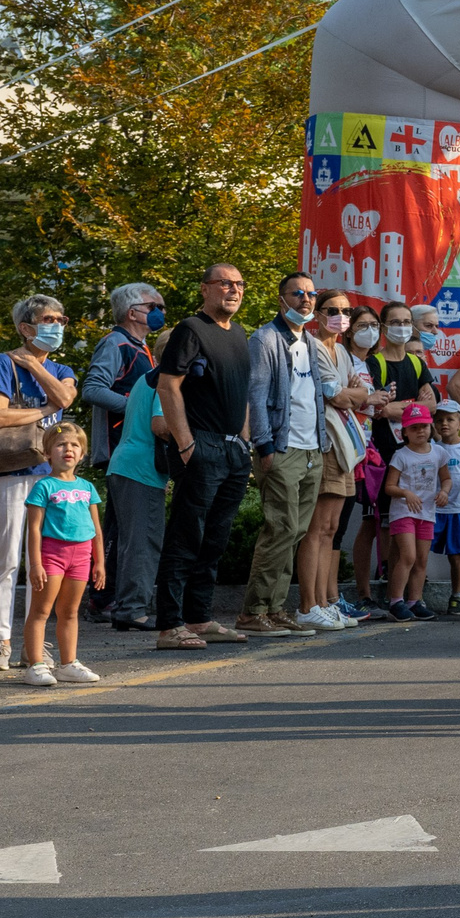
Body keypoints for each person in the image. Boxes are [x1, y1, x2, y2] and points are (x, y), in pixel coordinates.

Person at [152, 263, 258, 653]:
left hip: (233, 449)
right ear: (205, 288)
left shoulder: (240, 333)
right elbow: (168, 385)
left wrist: (244, 440)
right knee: (186, 535)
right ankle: (170, 624)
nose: (234, 290)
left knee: (214, 539)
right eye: (225, 284)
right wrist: (186, 443)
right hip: (203, 445)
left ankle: (199, 617)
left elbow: (242, 392)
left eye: (239, 284)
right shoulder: (190, 330)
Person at [0, 294, 78, 671]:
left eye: (60, 319)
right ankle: (0, 641)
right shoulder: (3, 362)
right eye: (48, 319)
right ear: (26, 327)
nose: (57, 325)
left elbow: (66, 395)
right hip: (11, 471)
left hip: (48, 476)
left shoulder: (61, 366)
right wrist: (46, 411)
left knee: (40, 561)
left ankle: (31, 643)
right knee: (5, 558)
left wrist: (36, 368)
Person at [241, 274, 335, 636]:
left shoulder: (309, 340)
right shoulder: (265, 338)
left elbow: (312, 394)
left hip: (312, 447)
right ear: (282, 299)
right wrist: (264, 445)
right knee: (279, 528)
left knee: (295, 530)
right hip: (282, 448)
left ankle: (275, 608)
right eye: (298, 293)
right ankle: (253, 611)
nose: (306, 300)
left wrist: (321, 443)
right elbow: (257, 394)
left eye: (311, 294)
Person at [79, 279, 164, 623]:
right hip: (123, 449)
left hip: (131, 450)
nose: (160, 313)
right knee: (125, 531)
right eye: (154, 307)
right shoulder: (116, 344)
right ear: (133, 313)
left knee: (119, 529)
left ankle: (108, 596)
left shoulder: (139, 346)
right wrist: (134, 408)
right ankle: (108, 599)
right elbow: (93, 389)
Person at [296, 300, 376, 630]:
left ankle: (325, 602)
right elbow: (339, 396)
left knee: (331, 529)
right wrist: (356, 393)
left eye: (345, 311)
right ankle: (308, 604)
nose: (339, 317)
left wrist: (356, 393)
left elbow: (362, 391)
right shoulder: (311, 346)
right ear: (317, 315)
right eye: (331, 310)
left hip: (346, 445)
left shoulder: (342, 353)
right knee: (317, 528)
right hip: (325, 441)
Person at [363, 301, 441, 620]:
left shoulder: (416, 362)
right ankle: (372, 593)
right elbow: (376, 408)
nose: (402, 326)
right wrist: (411, 407)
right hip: (381, 454)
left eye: (407, 321)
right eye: (395, 321)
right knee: (376, 523)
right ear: (383, 327)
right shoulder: (374, 363)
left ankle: (407, 596)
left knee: (404, 533)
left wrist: (400, 407)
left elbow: (432, 405)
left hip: (413, 456)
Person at [21, 422, 104, 685]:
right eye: (60, 445)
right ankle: (35, 664)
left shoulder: (88, 488)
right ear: (47, 453)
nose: (68, 449)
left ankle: (68, 663)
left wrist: (99, 562)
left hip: (81, 557)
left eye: (74, 445)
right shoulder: (43, 487)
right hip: (52, 555)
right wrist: (35, 564)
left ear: (82, 454)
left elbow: (96, 530)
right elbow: (33, 529)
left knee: (70, 611)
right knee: (41, 611)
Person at [106, 327, 172, 635]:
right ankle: (134, 609)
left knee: (131, 541)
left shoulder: (148, 379)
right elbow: (161, 426)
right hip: (141, 470)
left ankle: (125, 607)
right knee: (144, 542)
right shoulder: (164, 383)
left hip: (128, 466)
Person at [381, 404, 452, 620]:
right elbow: (389, 487)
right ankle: (395, 600)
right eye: (414, 428)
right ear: (405, 432)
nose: (420, 431)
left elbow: (446, 478)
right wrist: (406, 493)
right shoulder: (401, 455)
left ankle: (415, 600)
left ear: (430, 427)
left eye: (423, 426)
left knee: (421, 560)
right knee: (408, 556)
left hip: (427, 512)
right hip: (403, 512)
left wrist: (444, 491)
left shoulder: (439, 452)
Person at [428, 401, 460, 614]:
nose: (444, 424)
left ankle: (456, 597)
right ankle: (414, 595)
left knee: (456, 557)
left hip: (458, 509)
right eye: (439, 420)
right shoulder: (431, 448)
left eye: (449, 419)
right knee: (419, 553)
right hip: (432, 509)